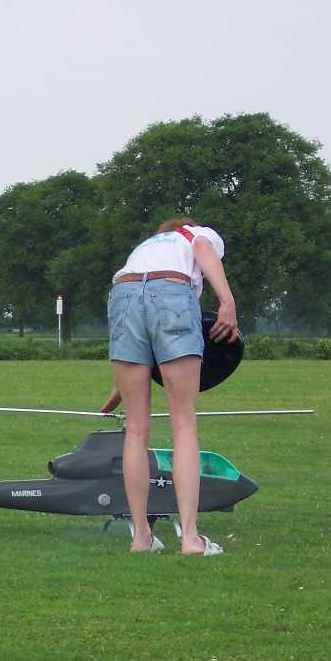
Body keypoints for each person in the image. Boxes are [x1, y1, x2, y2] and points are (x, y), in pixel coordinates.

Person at [100, 216, 239, 555]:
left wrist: (121, 387)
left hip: (122, 293)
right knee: (183, 423)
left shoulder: (145, 247)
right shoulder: (195, 233)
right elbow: (203, 248)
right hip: (172, 293)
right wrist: (227, 303)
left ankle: (141, 537)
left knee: (135, 429)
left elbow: (140, 295)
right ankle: (190, 539)